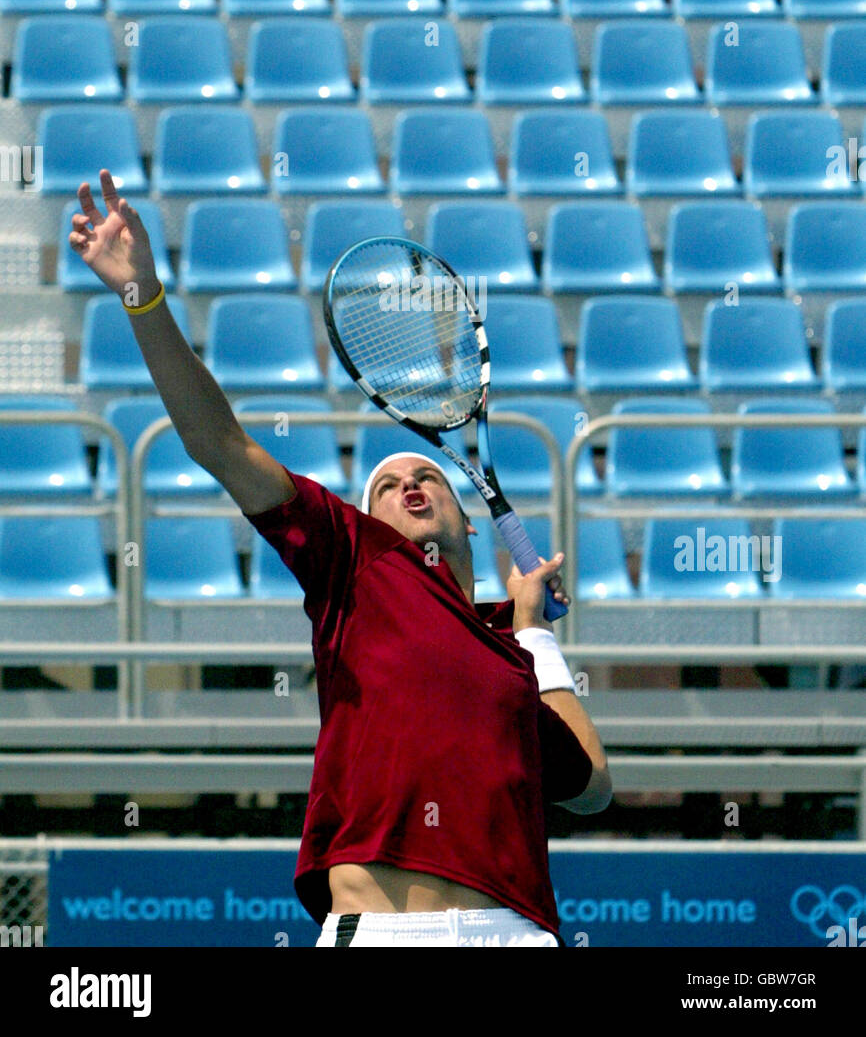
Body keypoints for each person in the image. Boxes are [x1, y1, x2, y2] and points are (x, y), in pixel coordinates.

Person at [70, 171, 612, 948]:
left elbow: (592, 789)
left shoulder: (510, 645)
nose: (411, 483)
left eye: (427, 475)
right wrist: (142, 296)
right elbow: (216, 443)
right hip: (380, 930)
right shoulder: (355, 565)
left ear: (462, 513)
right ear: (366, 518)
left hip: (511, 930)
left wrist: (534, 634)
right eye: (387, 484)